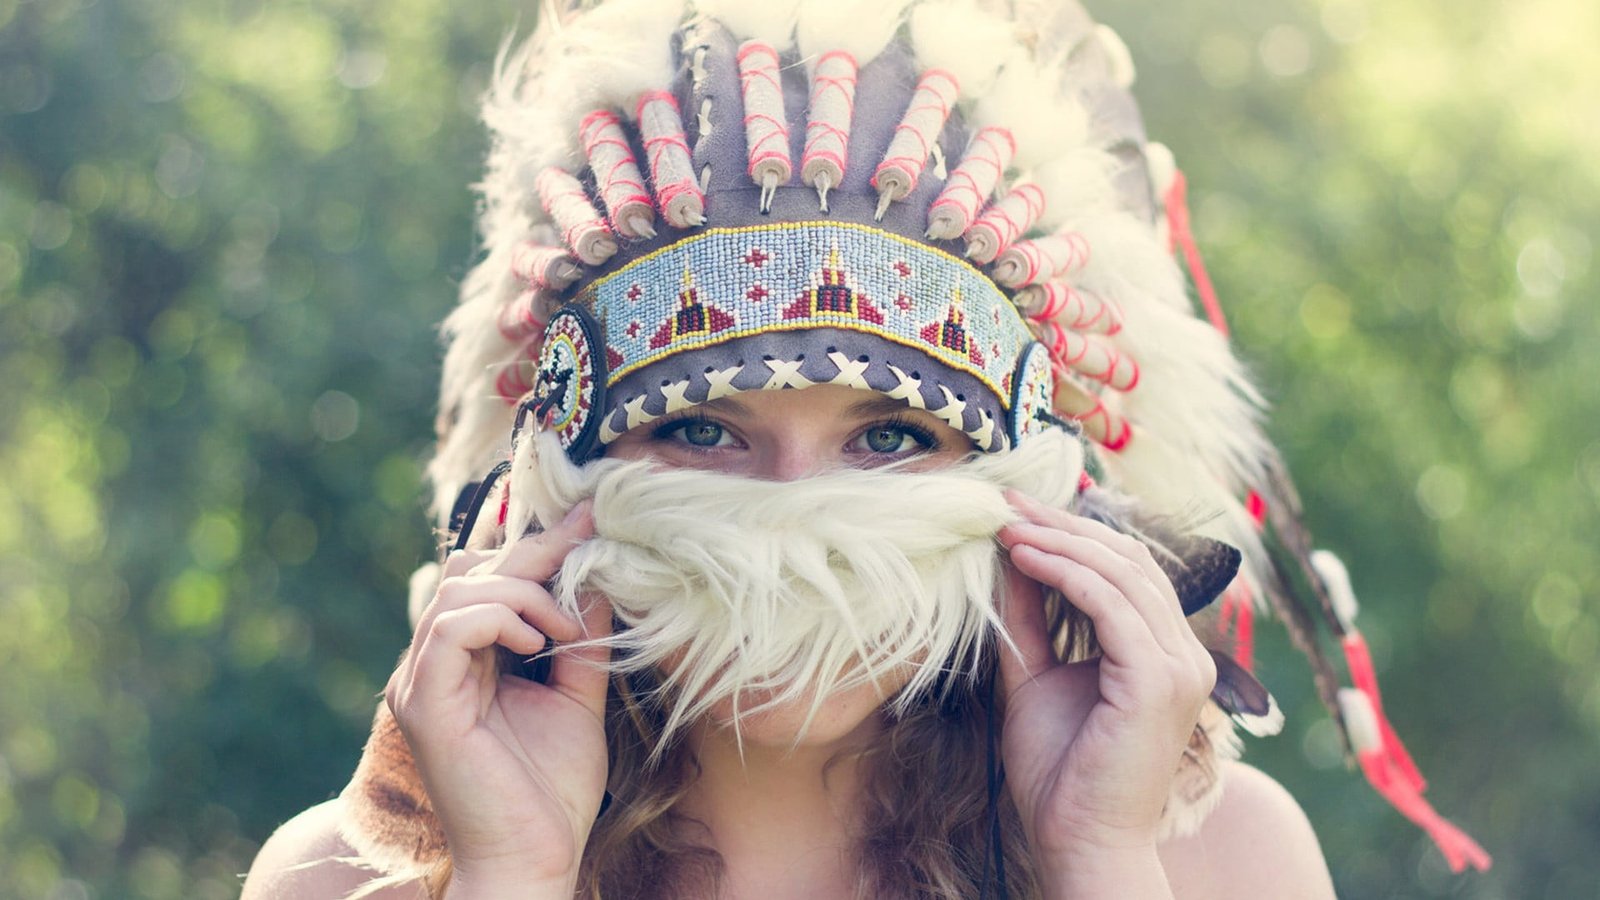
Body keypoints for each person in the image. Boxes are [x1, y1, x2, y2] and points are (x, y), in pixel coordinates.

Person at [242, 1, 1484, 896]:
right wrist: (511, 872)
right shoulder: (353, 882)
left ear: (1036, 486)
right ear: (555, 475)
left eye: (891, 434)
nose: (797, 517)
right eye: (699, 430)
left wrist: (1095, 862)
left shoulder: (1220, 865)